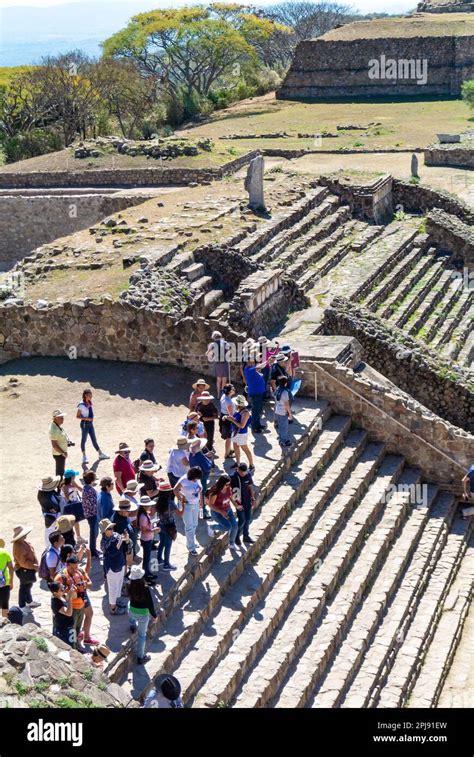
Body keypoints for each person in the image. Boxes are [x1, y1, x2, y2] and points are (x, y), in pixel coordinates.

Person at [55, 554, 96, 646]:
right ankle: (72, 648)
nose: (75, 570)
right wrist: (69, 593)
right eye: (72, 568)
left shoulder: (80, 571)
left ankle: (76, 646)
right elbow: (57, 595)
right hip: (71, 609)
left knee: (77, 629)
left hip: (81, 606)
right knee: (71, 631)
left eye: (76, 567)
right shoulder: (60, 578)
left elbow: (90, 584)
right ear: (67, 565)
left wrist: (84, 585)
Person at [128, 565, 158, 665]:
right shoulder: (145, 589)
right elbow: (150, 604)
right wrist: (154, 615)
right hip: (143, 615)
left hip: (132, 611)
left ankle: (132, 625)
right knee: (142, 636)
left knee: (128, 605)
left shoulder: (129, 586)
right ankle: (140, 657)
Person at [100, 519, 128, 615]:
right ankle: (113, 608)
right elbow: (113, 552)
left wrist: (127, 540)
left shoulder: (116, 536)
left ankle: (115, 601)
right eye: (109, 529)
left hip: (120, 563)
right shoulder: (104, 543)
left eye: (112, 528)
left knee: (119, 584)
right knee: (113, 588)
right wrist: (121, 542)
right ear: (104, 531)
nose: (112, 530)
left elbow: (125, 546)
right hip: (112, 567)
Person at [174, 467, 203, 556]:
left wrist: (201, 501)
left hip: (196, 504)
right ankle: (191, 548)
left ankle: (191, 543)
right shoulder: (184, 479)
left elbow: (199, 490)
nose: (196, 480)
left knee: (195, 524)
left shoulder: (197, 478)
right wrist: (181, 499)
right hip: (187, 506)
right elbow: (175, 490)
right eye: (195, 478)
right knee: (189, 527)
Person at [206, 475, 240, 551]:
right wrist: (221, 512)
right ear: (222, 483)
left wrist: (236, 505)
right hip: (217, 513)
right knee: (227, 527)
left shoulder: (228, 488)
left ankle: (231, 544)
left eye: (229, 484)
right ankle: (212, 527)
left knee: (235, 526)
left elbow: (230, 497)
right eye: (226, 484)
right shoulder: (215, 492)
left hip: (228, 509)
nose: (228, 486)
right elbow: (210, 505)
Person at [76, 388, 109, 465]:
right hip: (84, 424)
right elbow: (77, 416)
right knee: (83, 440)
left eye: (91, 395)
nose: (90, 396)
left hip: (90, 424)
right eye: (89, 395)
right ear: (85, 395)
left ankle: (100, 454)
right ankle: (84, 457)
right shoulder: (81, 405)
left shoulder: (89, 402)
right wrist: (87, 418)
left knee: (94, 439)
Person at [11, 526, 40, 609]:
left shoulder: (23, 542)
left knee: (28, 586)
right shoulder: (18, 546)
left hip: (27, 569)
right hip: (24, 570)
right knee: (24, 587)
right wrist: (34, 566)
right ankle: (22, 605)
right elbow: (23, 562)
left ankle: (29, 601)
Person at [225, 395, 254, 471]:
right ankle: (238, 463)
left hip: (241, 434)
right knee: (236, 447)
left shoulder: (245, 413)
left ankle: (251, 465)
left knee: (245, 449)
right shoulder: (239, 410)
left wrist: (232, 420)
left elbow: (242, 425)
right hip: (235, 432)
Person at [230, 463, 256, 545]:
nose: (243, 474)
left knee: (248, 519)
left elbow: (250, 486)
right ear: (238, 469)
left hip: (247, 500)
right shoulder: (232, 477)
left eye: (244, 472)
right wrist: (236, 504)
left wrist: (252, 497)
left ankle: (246, 536)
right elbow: (229, 491)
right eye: (242, 472)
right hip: (238, 502)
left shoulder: (247, 475)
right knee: (242, 520)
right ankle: (236, 536)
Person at [243, 358, 269, 433]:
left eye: (253, 362)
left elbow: (258, 368)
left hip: (258, 393)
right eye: (251, 361)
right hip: (255, 393)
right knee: (255, 411)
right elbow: (259, 367)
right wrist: (267, 361)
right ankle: (254, 427)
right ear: (247, 362)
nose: (253, 363)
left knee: (258, 410)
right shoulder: (248, 369)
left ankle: (258, 425)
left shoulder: (251, 369)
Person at [188, 439, 213, 517]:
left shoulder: (191, 454)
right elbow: (208, 467)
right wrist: (210, 459)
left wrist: (205, 456)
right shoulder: (200, 456)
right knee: (202, 493)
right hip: (202, 477)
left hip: (195, 477)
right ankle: (203, 512)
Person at [137, 496, 160, 582]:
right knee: (146, 559)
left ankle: (148, 573)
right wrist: (154, 530)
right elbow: (144, 531)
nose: (150, 507)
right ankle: (146, 575)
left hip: (148, 539)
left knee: (147, 558)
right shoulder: (143, 517)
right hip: (146, 540)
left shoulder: (145, 514)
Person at [156, 482, 177, 571]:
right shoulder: (171, 503)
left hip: (160, 525)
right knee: (168, 545)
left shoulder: (156, 500)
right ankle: (166, 564)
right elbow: (180, 513)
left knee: (162, 542)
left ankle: (159, 559)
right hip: (169, 527)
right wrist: (183, 505)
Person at [111, 498, 137, 572]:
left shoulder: (124, 516)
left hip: (127, 546)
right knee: (123, 564)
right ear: (121, 511)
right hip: (122, 548)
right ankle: (124, 576)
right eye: (128, 511)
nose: (129, 513)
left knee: (126, 563)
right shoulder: (115, 521)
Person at [49, 581, 76, 647]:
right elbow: (68, 613)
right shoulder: (55, 602)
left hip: (70, 628)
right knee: (67, 648)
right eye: (61, 589)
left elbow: (72, 597)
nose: (64, 589)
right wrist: (69, 598)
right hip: (63, 630)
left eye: (63, 587)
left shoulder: (61, 596)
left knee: (72, 645)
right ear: (55, 592)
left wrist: (71, 593)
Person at [37, 475, 62, 547]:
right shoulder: (47, 496)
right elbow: (57, 506)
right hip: (52, 516)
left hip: (47, 514)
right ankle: (49, 547)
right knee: (51, 531)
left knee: (50, 531)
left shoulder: (42, 492)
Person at [60, 469, 84, 539]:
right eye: (74, 476)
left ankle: (78, 537)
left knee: (76, 521)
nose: (75, 477)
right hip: (69, 506)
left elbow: (80, 489)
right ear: (71, 477)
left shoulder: (73, 482)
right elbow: (67, 498)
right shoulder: (64, 486)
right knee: (70, 522)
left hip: (74, 504)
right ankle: (73, 536)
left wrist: (75, 486)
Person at [82, 470, 100, 558]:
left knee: (95, 532)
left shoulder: (86, 488)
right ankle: (93, 552)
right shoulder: (90, 490)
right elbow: (95, 503)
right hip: (92, 514)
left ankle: (94, 549)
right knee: (94, 533)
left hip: (89, 513)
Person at [207, 330, 230, 396]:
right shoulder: (225, 343)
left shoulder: (212, 344)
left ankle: (218, 395)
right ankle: (223, 394)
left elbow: (207, 353)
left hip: (218, 363)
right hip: (224, 362)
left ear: (213, 337)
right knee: (224, 379)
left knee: (218, 379)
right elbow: (228, 352)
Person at [49, 409, 70, 478]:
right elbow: (54, 445)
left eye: (62, 417)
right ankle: (59, 487)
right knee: (60, 472)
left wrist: (67, 441)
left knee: (61, 471)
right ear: (55, 418)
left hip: (61, 453)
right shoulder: (54, 430)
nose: (62, 419)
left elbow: (62, 435)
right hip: (59, 454)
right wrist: (63, 453)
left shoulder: (58, 425)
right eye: (60, 417)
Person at [274, 376, 294, 448]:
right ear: (285, 383)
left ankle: (281, 439)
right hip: (283, 411)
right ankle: (284, 441)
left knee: (280, 426)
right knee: (284, 427)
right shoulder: (285, 392)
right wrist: (290, 414)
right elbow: (286, 404)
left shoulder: (277, 389)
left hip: (277, 410)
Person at [219, 384, 236, 460]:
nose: (234, 389)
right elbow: (231, 415)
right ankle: (227, 454)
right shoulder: (229, 402)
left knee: (228, 437)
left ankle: (229, 450)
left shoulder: (223, 396)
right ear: (229, 392)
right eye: (232, 389)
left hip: (222, 416)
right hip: (227, 420)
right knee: (228, 438)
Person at [0, 538, 14, 618]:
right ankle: (4, 623)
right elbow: (11, 568)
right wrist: (11, 581)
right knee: (5, 603)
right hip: (5, 582)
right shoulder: (5, 552)